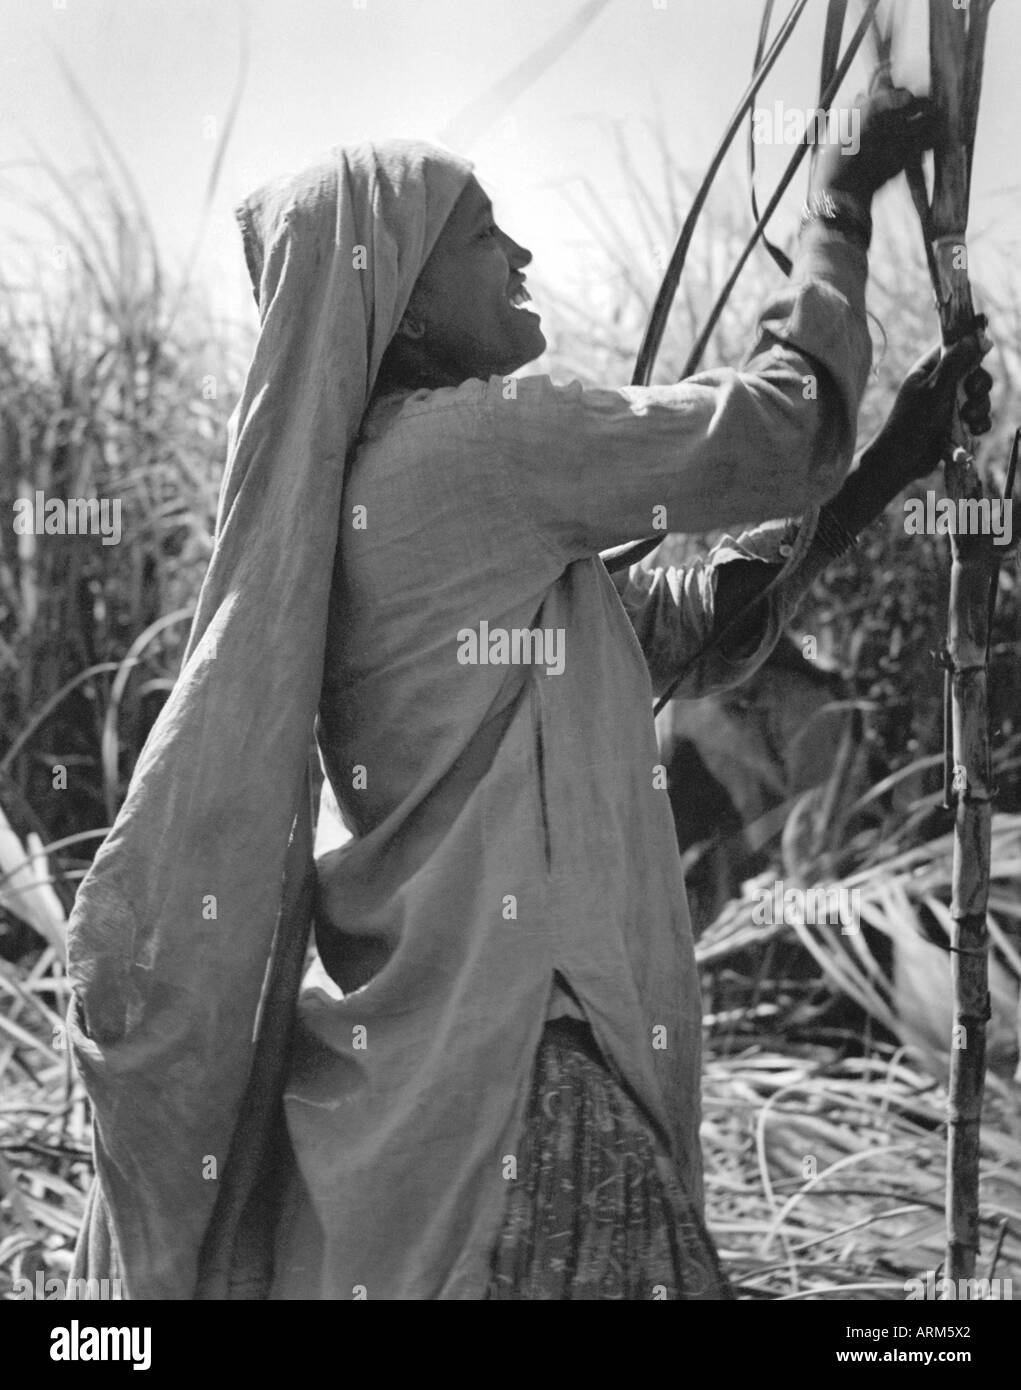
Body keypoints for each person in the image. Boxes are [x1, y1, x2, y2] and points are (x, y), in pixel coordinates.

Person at [67, 91, 991, 1301]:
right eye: (481, 237)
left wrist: (877, 472)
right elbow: (775, 433)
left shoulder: (381, 506)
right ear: (399, 306)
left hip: (433, 1105)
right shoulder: (481, 447)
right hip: (532, 1074)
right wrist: (838, 200)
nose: (522, 256)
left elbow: (680, 634)